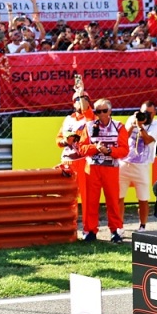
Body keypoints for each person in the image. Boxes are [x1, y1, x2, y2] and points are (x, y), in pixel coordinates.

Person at [78, 98, 130, 243]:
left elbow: (124, 150)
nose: (101, 114)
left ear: (110, 111)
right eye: (98, 111)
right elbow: (81, 148)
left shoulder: (119, 126)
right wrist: (95, 148)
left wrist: (109, 151)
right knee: (90, 201)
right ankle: (90, 231)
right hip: (92, 168)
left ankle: (115, 231)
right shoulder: (89, 126)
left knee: (113, 200)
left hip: (111, 168)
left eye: (104, 111)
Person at [118, 101, 157, 233]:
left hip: (142, 166)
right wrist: (133, 125)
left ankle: (142, 226)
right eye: (144, 112)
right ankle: (119, 226)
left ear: (155, 113)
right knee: (119, 197)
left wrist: (140, 127)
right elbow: (123, 138)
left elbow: (147, 140)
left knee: (143, 198)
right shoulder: (132, 119)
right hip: (124, 163)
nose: (146, 115)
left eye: (149, 113)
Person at [56, 84, 94, 231]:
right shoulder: (68, 119)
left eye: (84, 99)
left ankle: (87, 229)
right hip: (67, 161)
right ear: (73, 103)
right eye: (77, 99)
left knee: (86, 197)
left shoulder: (90, 118)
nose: (80, 101)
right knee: (67, 197)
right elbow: (58, 139)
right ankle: (67, 227)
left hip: (82, 161)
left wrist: (81, 93)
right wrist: (65, 141)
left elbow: (87, 111)